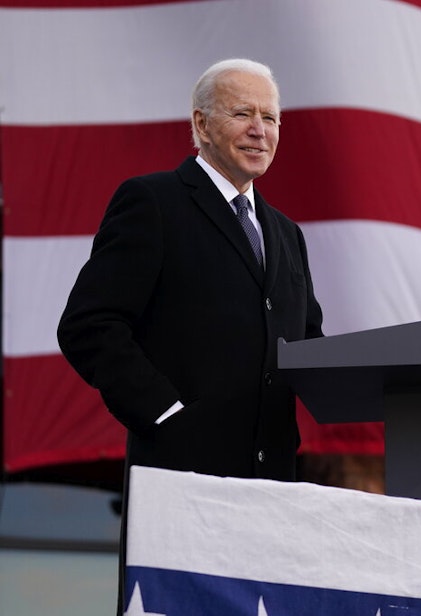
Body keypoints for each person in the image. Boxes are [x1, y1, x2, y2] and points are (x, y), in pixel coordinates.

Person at [57, 58, 324, 611]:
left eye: (271, 117)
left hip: (271, 494)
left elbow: (308, 343)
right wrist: (166, 415)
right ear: (201, 125)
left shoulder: (286, 234)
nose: (260, 129)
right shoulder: (152, 202)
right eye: (243, 113)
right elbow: (89, 324)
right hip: (180, 487)